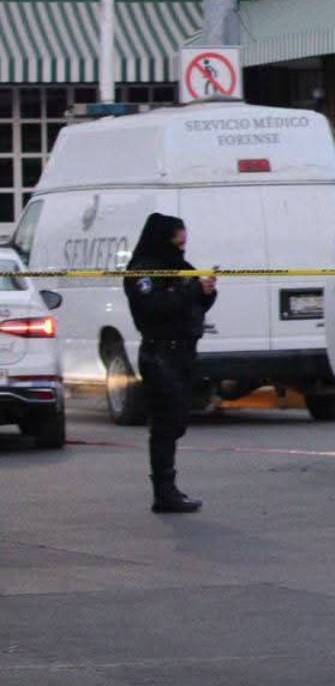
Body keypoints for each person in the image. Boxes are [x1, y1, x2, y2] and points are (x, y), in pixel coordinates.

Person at [123, 213, 216, 514]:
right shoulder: (143, 271)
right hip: (160, 354)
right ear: (163, 239)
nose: (181, 247)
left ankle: (168, 490)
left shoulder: (179, 267)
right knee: (166, 424)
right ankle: (164, 493)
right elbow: (153, 309)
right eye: (178, 241)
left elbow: (192, 303)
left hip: (184, 353)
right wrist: (191, 291)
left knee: (177, 421)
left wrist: (206, 292)